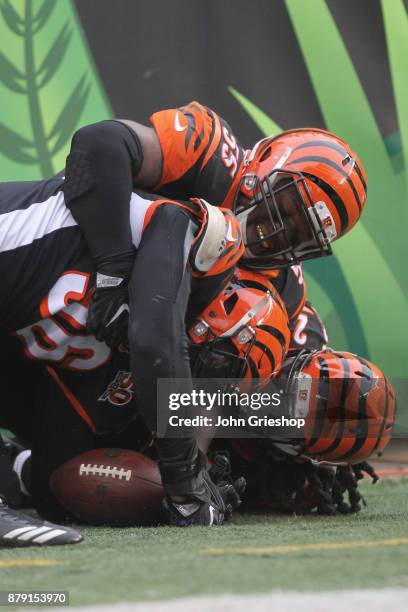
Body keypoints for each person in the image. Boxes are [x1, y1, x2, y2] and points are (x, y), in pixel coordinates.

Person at [0, 171, 245, 526]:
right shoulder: (175, 224)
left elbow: (61, 477)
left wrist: (165, 486)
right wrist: (184, 482)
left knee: (52, 490)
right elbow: (155, 343)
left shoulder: (129, 318)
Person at [63, 101, 367, 347]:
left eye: (302, 235)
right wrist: (114, 270)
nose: (281, 230)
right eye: (286, 206)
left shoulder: (284, 289)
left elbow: (305, 364)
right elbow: (101, 144)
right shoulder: (213, 156)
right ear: (267, 162)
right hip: (55, 270)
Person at [1, 267, 290, 524]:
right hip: (36, 368)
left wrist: (194, 473)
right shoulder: (149, 308)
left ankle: (20, 461)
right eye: (221, 364)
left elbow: (202, 403)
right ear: (205, 323)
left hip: (83, 384)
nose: (212, 384)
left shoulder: (187, 347)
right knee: (53, 490)